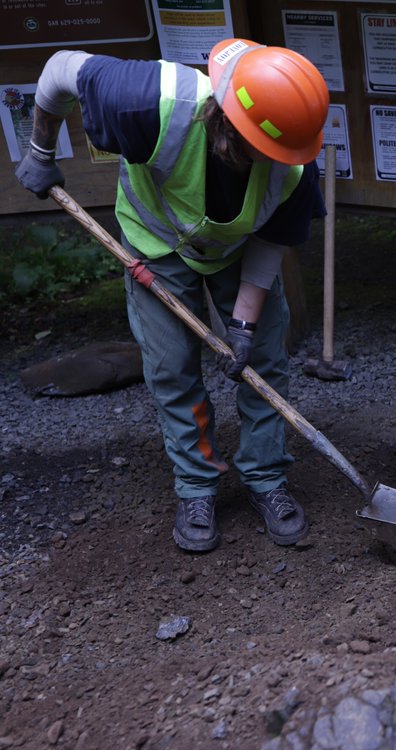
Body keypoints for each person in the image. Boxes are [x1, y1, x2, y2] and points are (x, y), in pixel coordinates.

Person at [16, 39, 330, 554]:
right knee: (171, 367)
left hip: (235, 250)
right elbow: (58, 69)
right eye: (263, 149)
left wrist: (244, 327)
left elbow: (272, 244)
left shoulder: (296, 163)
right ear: (229, 120)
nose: (274, 161)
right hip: (154, 242)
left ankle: (265, 476)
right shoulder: (148, 99)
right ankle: (197, 484)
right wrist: (40, 151)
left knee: (265, 361)